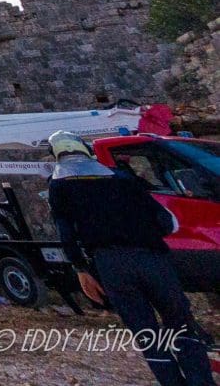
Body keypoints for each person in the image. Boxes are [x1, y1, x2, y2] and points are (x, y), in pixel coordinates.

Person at [46, 130, 214, 386]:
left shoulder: (59, 186)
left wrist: (81, 269)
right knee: (180, 322)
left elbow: (65, 232)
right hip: (152, 258)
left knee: (145, 331)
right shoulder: (123, 179)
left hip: (110, 264)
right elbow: (167, 222)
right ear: (84, 149)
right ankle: (200, 381)